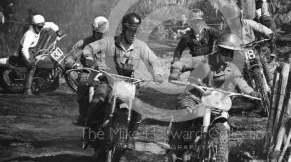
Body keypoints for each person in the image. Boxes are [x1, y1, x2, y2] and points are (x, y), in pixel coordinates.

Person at [168, 33, 260, 162]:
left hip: (216, 102)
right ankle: (174, 151)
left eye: (231, 53)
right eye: (224, 51)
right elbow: (181, 63)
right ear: (219, 49)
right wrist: (175, 72)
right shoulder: (204, 60)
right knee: (186, 114)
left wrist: (252, 92)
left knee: (225, 129)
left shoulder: (233, 68)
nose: (227, 55)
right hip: (194, 97)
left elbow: (241, 82)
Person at [82, 12, 163, 149]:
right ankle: (89, 133)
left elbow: (154, 60)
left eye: (136, 31)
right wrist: (89, 58)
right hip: (108, 81)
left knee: (138, 108)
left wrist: (158, 74)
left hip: (128, 83)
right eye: (131, 30)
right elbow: (89, 48)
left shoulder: (140, 46)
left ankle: (129, 137)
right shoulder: (109, 42)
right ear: (124, 29)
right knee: (97, 100)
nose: (134, 34)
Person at [64, 16, 110, 126]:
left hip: (107, 74)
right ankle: (83, 115)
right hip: (89, 73)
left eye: (104, 33)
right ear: (93, 31)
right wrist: (73, 64)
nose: (101, 36)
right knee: (84, 82)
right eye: (99, 33)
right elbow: (69, 58)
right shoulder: (84, 43)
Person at [169, 9, 222, 80]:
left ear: (202, 21)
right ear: (191, 23)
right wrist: (175, 63)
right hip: (194, 64)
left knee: (211, 84)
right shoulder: (187, 36)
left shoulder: (211, 31)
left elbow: (223, 39)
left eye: (198, 21)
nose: (196, 24)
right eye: (194, 21)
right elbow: (178, 50)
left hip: (209, 63)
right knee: (192, 87)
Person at [19, 14, 63, 95]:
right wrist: (28, 59)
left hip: (32, 50)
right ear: (34, 25)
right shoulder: (29, 34)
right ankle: (27, 89)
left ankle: (39, 82)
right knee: (32, 67)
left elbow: (50, 24)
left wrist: (57, 31)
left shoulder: (40, 26)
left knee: (41, 61)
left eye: (41, 26)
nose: (40, 28)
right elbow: (24, 49)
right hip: (24, 52)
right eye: (39, 27)